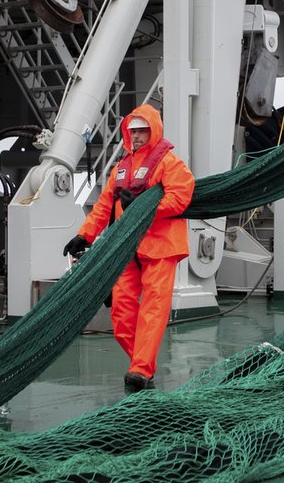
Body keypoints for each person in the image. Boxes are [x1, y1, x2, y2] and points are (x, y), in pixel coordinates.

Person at [62, 104, 195, 392]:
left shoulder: (170, 163)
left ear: (154, 130)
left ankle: (140, 370)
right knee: (121, 312)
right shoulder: (121, 169)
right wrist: (83, 237)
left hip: (161, 247)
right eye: (132, 131)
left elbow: (180, 198)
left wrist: (143, 207)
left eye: (142, 131)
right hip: (126, 248)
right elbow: (103, 207)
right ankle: (141, 365)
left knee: (153, 310)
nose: (136, 137)